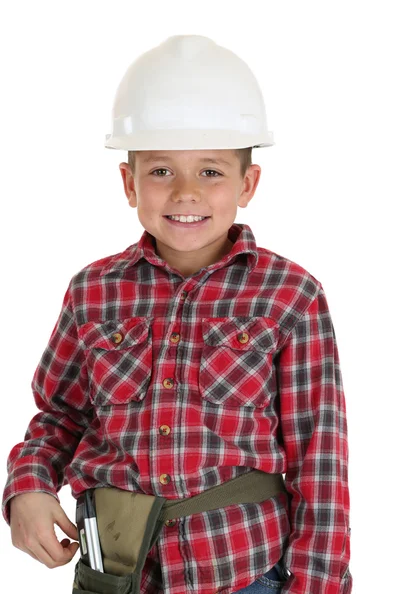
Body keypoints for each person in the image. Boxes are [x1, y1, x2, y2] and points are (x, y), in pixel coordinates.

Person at [2, 35, 353, 594]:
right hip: (117, 575)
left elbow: (320, 456)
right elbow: (59, 418)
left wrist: (317, 586)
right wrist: (28, 486)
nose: (185, 192)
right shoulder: (93, 291)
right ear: (128, 182)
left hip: (244, 575)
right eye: (161, 170)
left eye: (211, 172)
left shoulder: (290, 294)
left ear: (248, 183)